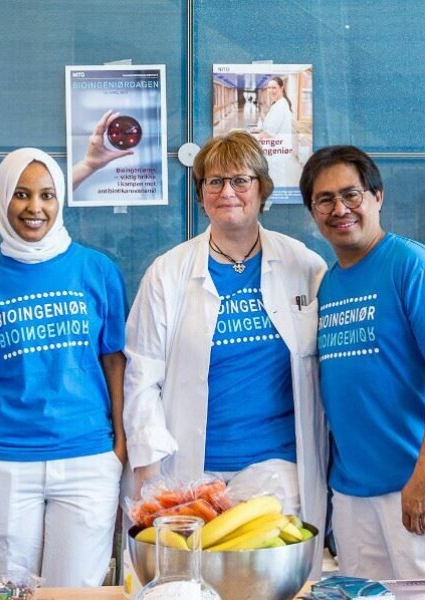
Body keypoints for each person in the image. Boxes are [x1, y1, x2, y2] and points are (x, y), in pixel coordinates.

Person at [124, 130, 328, 574]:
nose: (227, 192)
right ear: (200, 196)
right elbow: (142, 379)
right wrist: (149, 478)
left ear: (263, 189)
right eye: (213, 182)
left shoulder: (305, 266)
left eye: (241, 180)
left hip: (281, 474)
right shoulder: (168, 274)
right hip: (190, 477)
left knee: (267, 584)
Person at [0, 148, 126, 586]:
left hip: (87, 457)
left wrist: (120, 443)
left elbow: (114, 361)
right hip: (4, 461)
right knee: (10, 591)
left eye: (47, 195)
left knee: (77, 592)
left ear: (60, 199)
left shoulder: (96, 270)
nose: (35, 207)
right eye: (21, 194)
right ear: (3, 200)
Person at [300, 145, 425, 580]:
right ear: (313, 212)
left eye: (351, 194)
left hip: (416, 486)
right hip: (353, 492)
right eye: (325, 200)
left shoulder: (413, 266)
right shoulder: (329, 284)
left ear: (377, 196)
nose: (340, 209)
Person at [259, 76, 301, 188]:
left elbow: (269, 133)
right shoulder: (278, 104)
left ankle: (277, 203)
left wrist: (253, 138)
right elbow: (269, 126)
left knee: (276, 181)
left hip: (276, 151)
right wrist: (259, 130)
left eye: (274, 88)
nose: (271, 91)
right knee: (277, 178)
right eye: (269, 88)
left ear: (281, 88)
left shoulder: (280, 106)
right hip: (277, 149)